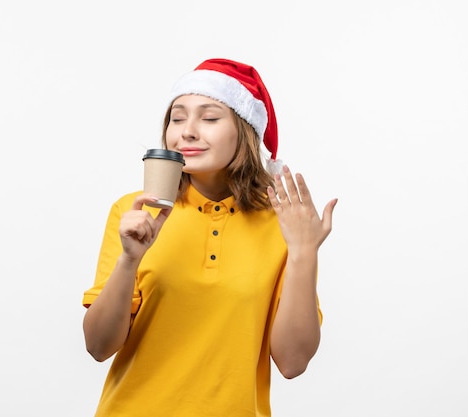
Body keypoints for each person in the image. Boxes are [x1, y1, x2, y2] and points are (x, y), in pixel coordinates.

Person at [82, 58, 337, 417]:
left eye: (210, 117)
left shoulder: (281, 222)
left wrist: (303, 252)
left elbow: (293, 362)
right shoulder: (134, 214)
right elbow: (98, 345)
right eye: (177, 117)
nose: (186, 131)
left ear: (244, 131)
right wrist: (129, 260)